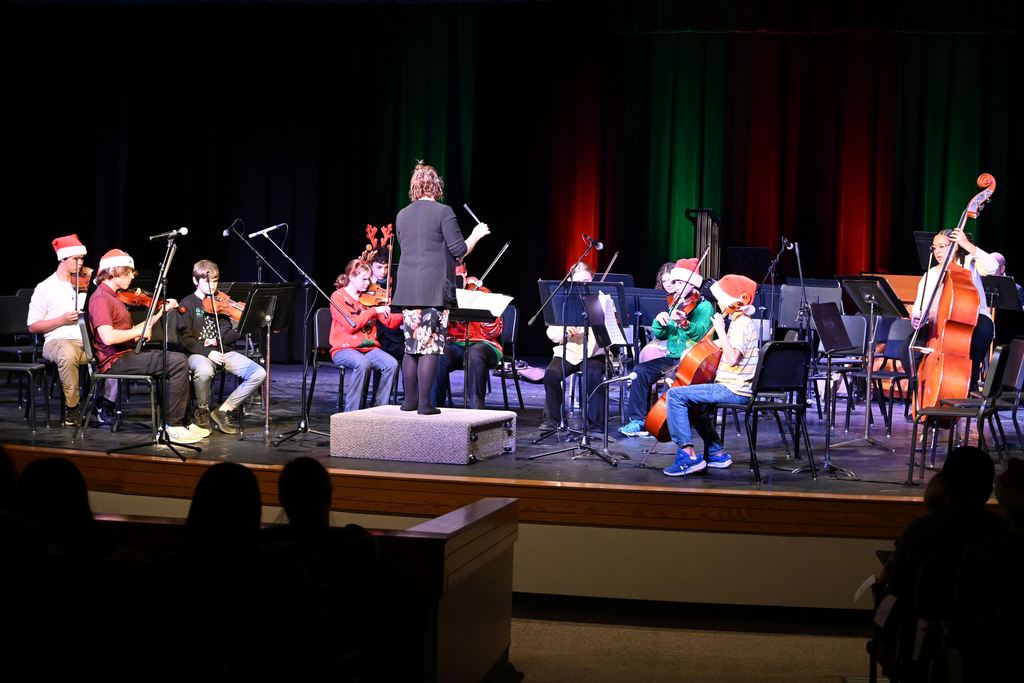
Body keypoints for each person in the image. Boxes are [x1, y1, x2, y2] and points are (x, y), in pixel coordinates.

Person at [390, 162, 489, 415]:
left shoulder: (402, 214)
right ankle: (424, 404)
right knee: (431, 346)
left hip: (408, 289)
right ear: (436, 186)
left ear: (414, 186)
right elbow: (459, 251)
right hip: (433, 289)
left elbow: (411, 247)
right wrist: (476, 234)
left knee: (411, 346)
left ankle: (409, 401)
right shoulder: (443, 211)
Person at [86, 248, 204, 444]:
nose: (132, 276)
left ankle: (182, 421)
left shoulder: (113, 297)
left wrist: (159, 313)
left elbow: (134, 330)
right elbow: (108, 338)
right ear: (114, 271)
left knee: (175, 359)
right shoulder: (100, 299)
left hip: (125, 354)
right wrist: (136, 332)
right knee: (177, 362)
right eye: (128, 272)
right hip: (115, 360)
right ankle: (173, 426)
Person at [661, 274, 761, 476]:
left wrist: (720, 330)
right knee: (696, 405)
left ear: (732, 301)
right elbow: (722, 348)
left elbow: (732, 358)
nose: (719, 303)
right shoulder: (739, 322)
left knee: (675, 395)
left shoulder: (741, 325)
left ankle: (687, 455)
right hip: (732, 386)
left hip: (733, 389)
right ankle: (716, 453)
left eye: (721, 299)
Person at [619, 258, 715, 437]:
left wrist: (685, 324)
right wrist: (659, 322)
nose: (674, 286)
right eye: (674, 282)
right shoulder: (676, 303)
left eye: (679, 282)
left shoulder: (704, 306)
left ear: (692, 283)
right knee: (640, 371)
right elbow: (663, 335)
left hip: (693, 360)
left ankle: (666, 424)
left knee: (671, 379)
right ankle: (638, 421)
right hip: (673, 357)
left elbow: (701, 334)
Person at [27, 235, 116, 426]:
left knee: (114, 352)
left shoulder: (86, 283)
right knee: (68, 354)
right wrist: (62, 320)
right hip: (57, 341)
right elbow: (32, 325)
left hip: (86, 341)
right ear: (62, 259)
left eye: (82, 258)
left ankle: (103, 402)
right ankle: (72, 408)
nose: (81, 263)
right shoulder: (45, 287)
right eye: (76, 259)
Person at [176, 259, 266, 435]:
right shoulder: (187, 303)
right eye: (207, 281)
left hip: (222, 352)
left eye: (215, 281)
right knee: (204, 370)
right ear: (195, 280)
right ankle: (202, 411)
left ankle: (224, 410)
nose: (212, 286)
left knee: (258, 373)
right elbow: (185, 339)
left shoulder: (220, 303)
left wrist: (244, 326)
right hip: (197, 353)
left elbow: (225, 338)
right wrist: (208, 352)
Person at [911, 227, 999, 390]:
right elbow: (919, 307)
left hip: (973, 318)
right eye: (934, 248)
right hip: (938, 323)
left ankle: (968, 385)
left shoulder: (969, 263)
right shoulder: (930, 275)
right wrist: (917, 317)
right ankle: (923, 390)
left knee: (979, 334)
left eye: (942, 246)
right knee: (907, 350)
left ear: (955, 246)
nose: (937, 252)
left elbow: (993, 266)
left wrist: (966, 244)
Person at [539, 262, 608, 433]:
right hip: (569, 352)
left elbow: (611, 332)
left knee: (593, 375)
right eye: (577, 282)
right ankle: (553, 419)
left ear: (593, 279)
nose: (582, 285)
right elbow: (551, 333)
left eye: (586, 281)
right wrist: (564, 332)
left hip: (594, 353)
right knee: (551, 374)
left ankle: (596, 423)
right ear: (569, 281)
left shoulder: (603, 299)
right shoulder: (562, 300)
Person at [329, 259, 403, 412]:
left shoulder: (369, 298)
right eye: (364, 279)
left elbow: (389, 322)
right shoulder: (338, 297)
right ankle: (351, 413)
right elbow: (352, 325)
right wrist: (373, 311)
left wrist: (405, 315)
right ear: (351, 277)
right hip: (344, 349)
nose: (368, 283)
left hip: (368, 348)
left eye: (369, 279)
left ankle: (379, 410)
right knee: (362, 363)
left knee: (391, 364)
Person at [431, 264, 503, 410]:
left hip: (484, 344)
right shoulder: (442, 294)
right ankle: (434, 407)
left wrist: (483, 318)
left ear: (465, 275)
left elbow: (495, 332)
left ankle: (476, 409)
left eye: (459, 277)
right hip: (454, 344)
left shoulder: (481, 292)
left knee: (475, 354)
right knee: (439, 354)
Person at [637, 261, 682, 363]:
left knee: (651, 352)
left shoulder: (684, 299)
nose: (668, 284)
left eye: (670, 280)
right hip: (660, 337)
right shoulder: (660, 299)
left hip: (677, 340)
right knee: (647, 352)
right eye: (664, 281)